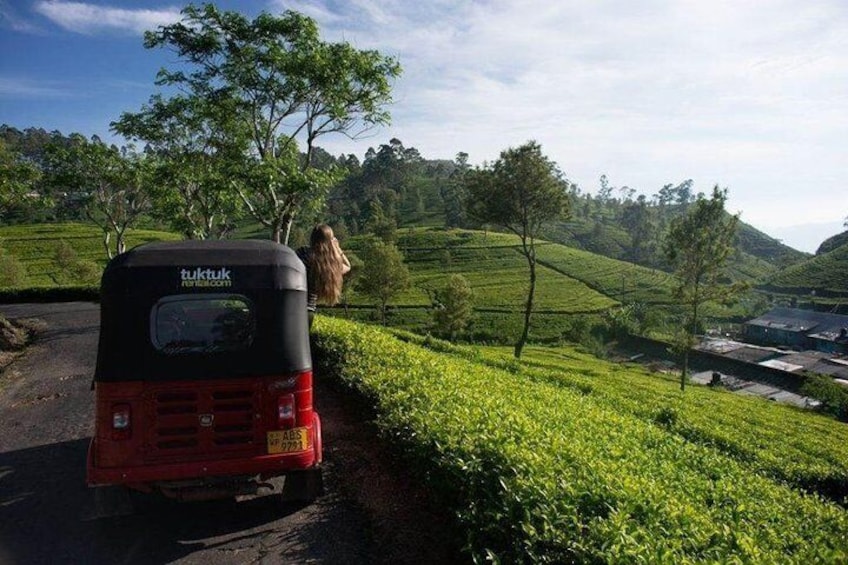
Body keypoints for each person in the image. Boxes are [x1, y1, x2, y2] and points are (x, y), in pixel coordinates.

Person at [296, 224, 351, 326]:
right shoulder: (331, 263)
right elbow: (348, 266)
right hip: (309, 310)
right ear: (331, 241)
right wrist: (338, 249)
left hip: (293, 306)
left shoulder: (303, 253)